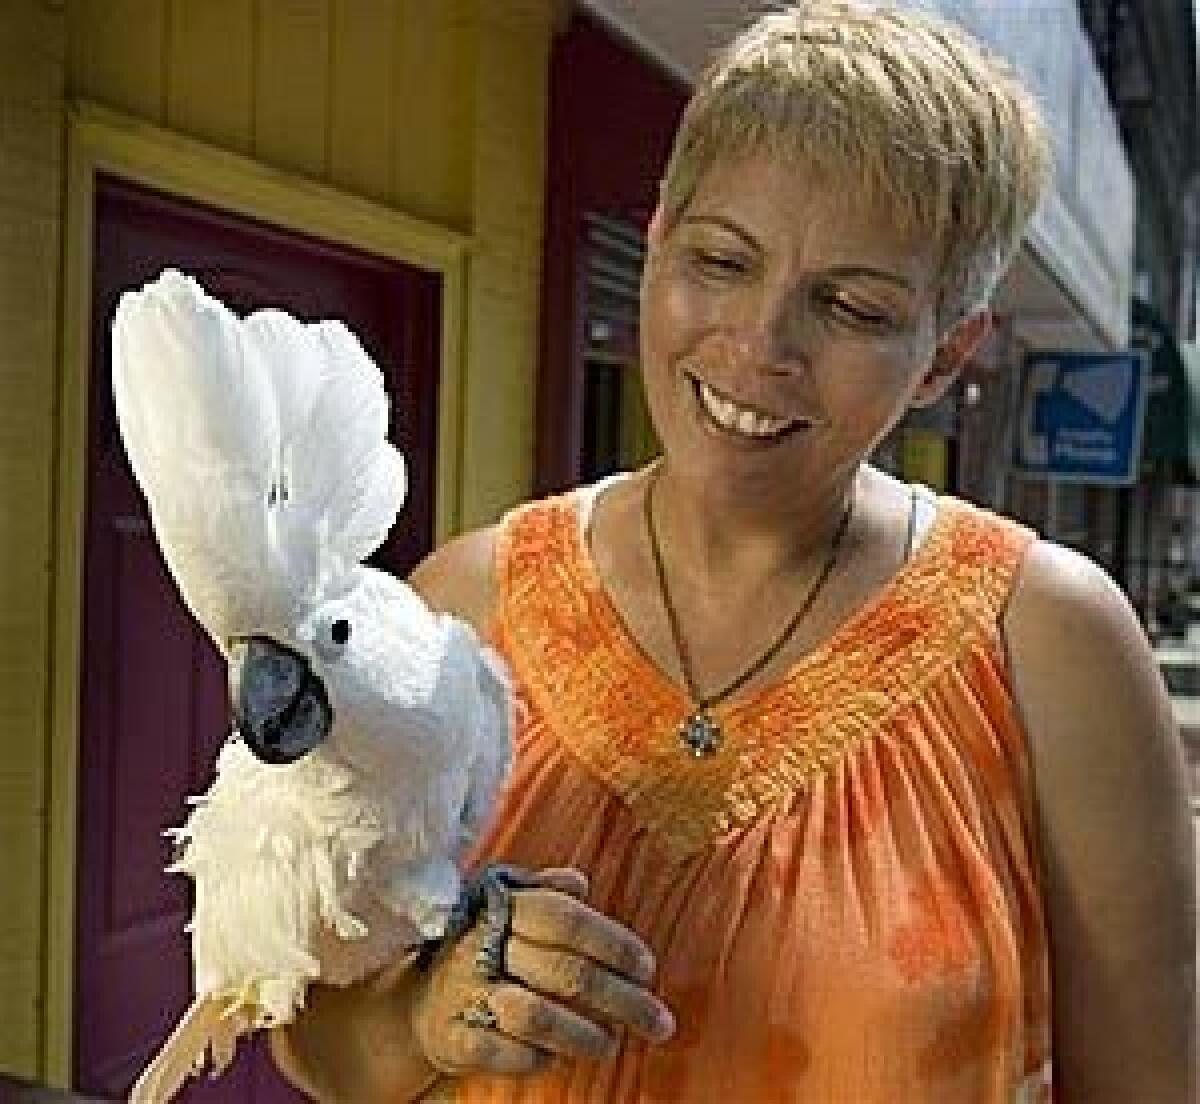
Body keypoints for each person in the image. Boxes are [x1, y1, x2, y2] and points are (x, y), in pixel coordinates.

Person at [270, 2, 1197, 1100]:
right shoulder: (463, 610)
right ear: (657, 240)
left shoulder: (1049, 644)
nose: (760, 347)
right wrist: (427, 1016)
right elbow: (314, 1034)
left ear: (947, 353)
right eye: (721, 260)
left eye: (851, 307)